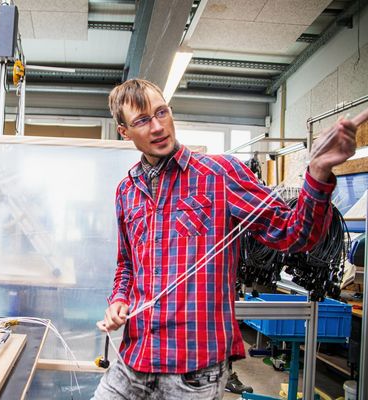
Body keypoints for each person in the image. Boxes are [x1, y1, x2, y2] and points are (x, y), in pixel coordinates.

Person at [93, 78, 357, 399]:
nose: (158, 126)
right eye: (143, 120)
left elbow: (292, 235)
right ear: (124, 131)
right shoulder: (127, 191)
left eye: (162, 112)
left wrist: (317, 173)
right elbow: (127, 266)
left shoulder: (219, 174)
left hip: (193, 370)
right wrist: (119, 301)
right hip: (134, 359)